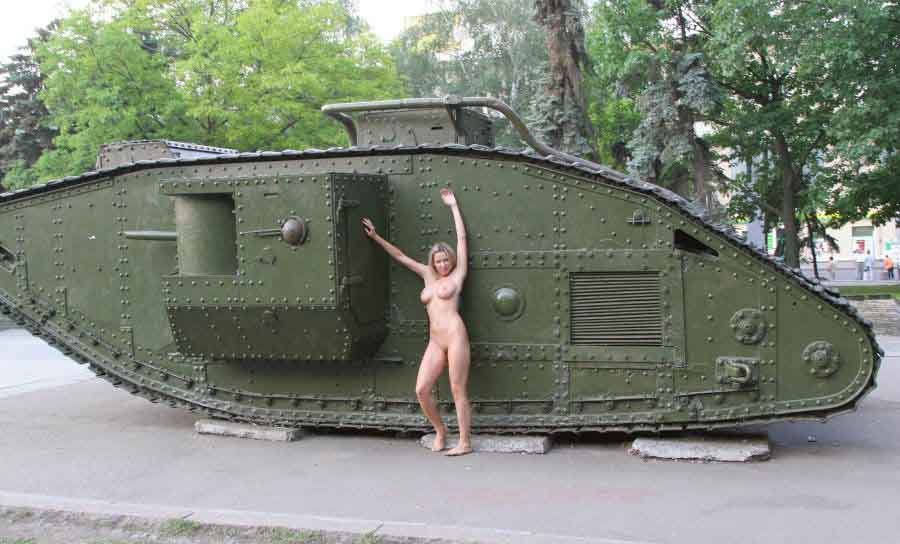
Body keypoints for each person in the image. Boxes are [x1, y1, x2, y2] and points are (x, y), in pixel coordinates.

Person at [361, 188, 472, 456]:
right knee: (422, 389)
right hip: (435, 340)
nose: (443, 264)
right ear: (433, 262)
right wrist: (376, 237)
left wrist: (453, 206)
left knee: (457, 389)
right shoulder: (427, 275)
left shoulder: (457, 275)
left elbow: (461, 239)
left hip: (455, 335)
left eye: (446, 260)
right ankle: (441, 431)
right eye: (439, 261)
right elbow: (400, 256)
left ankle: (465, 442)